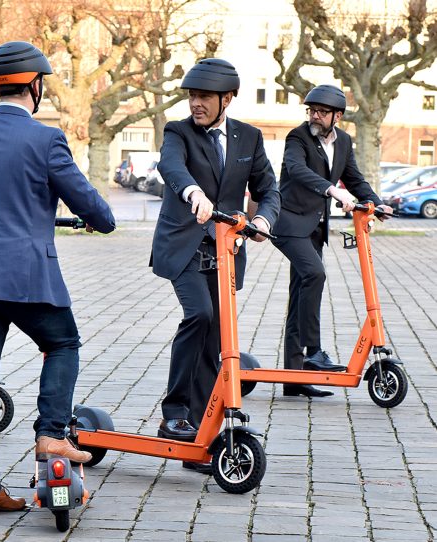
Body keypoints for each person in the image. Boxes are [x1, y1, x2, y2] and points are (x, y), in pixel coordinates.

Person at [0, 41, 115, 514]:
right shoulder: (45, 139)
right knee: (63, 343)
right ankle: (51, 434)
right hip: (28, 276)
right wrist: (102, 219)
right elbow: (89, 204)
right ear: (36, 85)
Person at [151, 59, 280, 473]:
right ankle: (175, 412)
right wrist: (192, 191)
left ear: (227, 98)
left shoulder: (250, 138)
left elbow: (268, 189)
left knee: (220, 333)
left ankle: (202, 429)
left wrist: (262, 220)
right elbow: (170, 165)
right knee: (200, 315)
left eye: (204, 97)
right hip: (184, 246)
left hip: (225, 250)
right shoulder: (178, 131)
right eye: (191, 96)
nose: (196, 103)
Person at [272, 84, 393, 397]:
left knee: (301, 291)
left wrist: (375, 203)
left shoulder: (345, 142)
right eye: (311, 110)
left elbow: (353, 177)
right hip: (287, 222)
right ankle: (313, 352)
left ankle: (294, 380)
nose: (315, 115)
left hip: (313, 228)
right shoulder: (298, 137)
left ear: (337, 116)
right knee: (315, 274)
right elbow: (297, 170)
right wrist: (332, 190)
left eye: (322, 112)